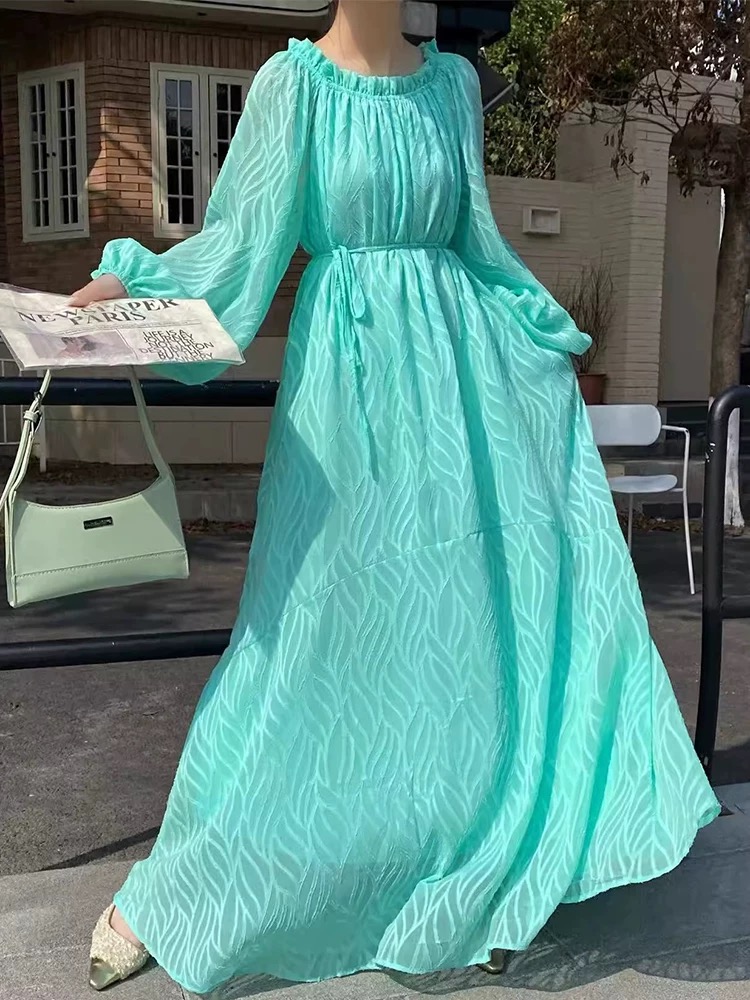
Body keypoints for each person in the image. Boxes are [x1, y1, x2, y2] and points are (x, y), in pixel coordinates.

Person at [72, 0, 721, 993]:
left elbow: (479, 245)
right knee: (304, 633)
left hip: (461, 402)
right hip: (347, 394)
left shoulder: (452, 87)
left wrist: (540, 337)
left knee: (456, 636)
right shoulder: (293, 87)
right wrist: (130, 288)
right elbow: (239, 246)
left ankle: (474, 868)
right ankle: (183, 885)